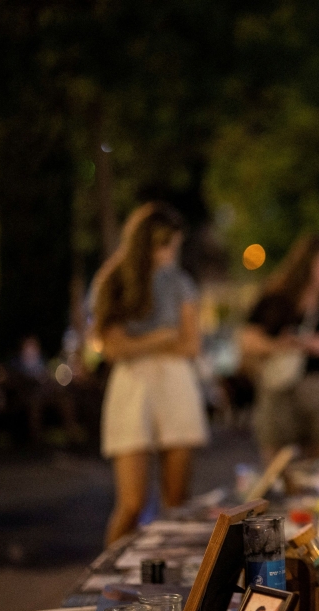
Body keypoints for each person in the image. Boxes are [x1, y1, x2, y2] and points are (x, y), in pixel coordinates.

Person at [92, 202, 208, 545]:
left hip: (175, 384)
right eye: (166, 244)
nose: (172, 252)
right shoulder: (113, 281)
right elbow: (111, 346)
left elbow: (190, 345)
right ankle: (105, 585)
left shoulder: (181, 282)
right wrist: (160, 337)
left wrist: (135, 343)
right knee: (131, 504)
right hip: (132, 388)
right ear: (148, 244)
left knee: (177, 501)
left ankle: (176, 586)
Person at [240, 234, 319, 462]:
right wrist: (279, 346)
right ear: (307, 262)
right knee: (277, 455)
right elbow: (248, 339)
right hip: (280, 388)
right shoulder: (276, 298)